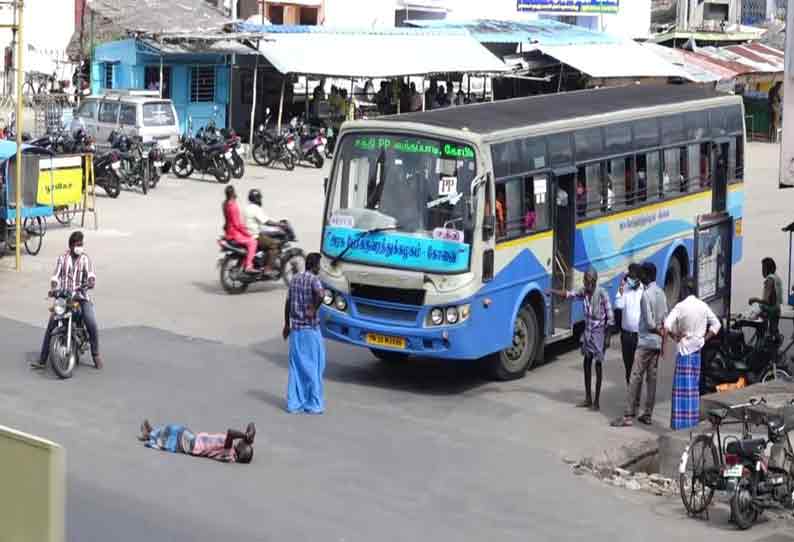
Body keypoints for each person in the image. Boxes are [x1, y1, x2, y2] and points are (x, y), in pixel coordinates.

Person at [34, 231, 102, 370]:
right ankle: (42, 359)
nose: (80, 247)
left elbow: (91, 275)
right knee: (51, 324)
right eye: (78, 244)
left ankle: (96, 354)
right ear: (71, 246)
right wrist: (54, 288)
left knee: (91, 322)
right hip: (64, 298)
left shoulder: (85, 259)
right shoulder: (62, 258)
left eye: (81, 244)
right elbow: (55, 276)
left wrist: (90, 282)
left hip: (80, 297)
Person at [549, 268, 614, 411]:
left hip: (599, 333)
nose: (587, 284)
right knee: (586, 362)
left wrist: (607, 338)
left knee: (598, 365)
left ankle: (596, 401)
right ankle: (588, 398)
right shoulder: (584, 292)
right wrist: (552, 292)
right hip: (588, 332)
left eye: (589, 281)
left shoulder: (602, 293)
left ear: (594, 281)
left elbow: (610, 318)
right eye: (585, 281)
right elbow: (569, 294)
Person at [612, 262, 668, 427]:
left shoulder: (646, 295)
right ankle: (648, 414)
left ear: (647, 276)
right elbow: (665, 317)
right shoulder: (661, 294)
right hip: (655, 343)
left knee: (635, 376)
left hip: (644, 341)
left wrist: (659, 332)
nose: (640, 277)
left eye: (642, 274)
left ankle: (629, 414)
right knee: (652, 378)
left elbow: (650, 323)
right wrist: (663, 338)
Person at [665, 277, 721, 430]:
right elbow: (717, 324)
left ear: (684, 291)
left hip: (684, 350)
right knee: (693, 389)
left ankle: (679, 424)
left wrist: (675, 336)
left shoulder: (680, 306)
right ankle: (691, 423)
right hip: (697, 351)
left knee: (681, 390)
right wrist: (704, 338)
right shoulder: (703, 306)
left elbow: (666, 325)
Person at [283, 252, 326, 414]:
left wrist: (286, 325)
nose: (319, 269)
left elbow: (287, 303)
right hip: (310, 330)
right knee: (314, 366)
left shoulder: (294, 279)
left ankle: (294, 403)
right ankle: (313, 403)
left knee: (296, 367)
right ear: (314, 266)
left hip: (296, 331)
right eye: (319, 266)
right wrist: (313, 308)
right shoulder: (314, 279)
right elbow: (321, 295)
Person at [139, 420, 255, 464]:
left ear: (241, 451)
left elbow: (230, 433)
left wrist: (245, 435)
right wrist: (248, 435)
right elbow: (251, 424)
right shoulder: (231, 452)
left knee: (174, 432)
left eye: (244, 444)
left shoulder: (228, 452)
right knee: (173, 431)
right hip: (195, 440)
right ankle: (152, 433)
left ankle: (149, 434)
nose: (243, 442)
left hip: (193, 445)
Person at [614, 263, 644, 385]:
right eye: (629, 276)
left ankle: (635, 396)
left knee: (638, 368)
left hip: (639, 336)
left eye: (633, 276)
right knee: (628, 367)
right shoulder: (624, 289)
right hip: (626, 335)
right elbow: (618, 305)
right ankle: (631, 392)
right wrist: (620, 290)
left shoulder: (643, 290)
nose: (631, 279)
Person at [243, 189, 281, 274]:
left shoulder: (247, 208)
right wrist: (278, 224)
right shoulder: (255, 209)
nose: (260, 200)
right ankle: (268, 269)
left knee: (267, 237)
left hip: (246, 234)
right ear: (256, 199)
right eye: (259, 198)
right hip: (254, 236)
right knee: (274, 245)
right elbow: (266, 221)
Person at [223, 185, 257, 273]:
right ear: (232, 194)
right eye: (234, 192)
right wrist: (247, 233)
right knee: (253, 242)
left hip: (229, 231)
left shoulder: (225, 204)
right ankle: (248, 265)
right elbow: (237, 224)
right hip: (234, 233)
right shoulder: (232, 206)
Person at [749, 257, 783, 338]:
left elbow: (766, 301)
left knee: (751, 319)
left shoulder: (769, 280)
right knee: (773, 331)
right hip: (777, 309)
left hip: (769, 310)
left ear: (767, 268)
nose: (762, 271)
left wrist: (754, 299)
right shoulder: (777, 278)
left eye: (763, 268)